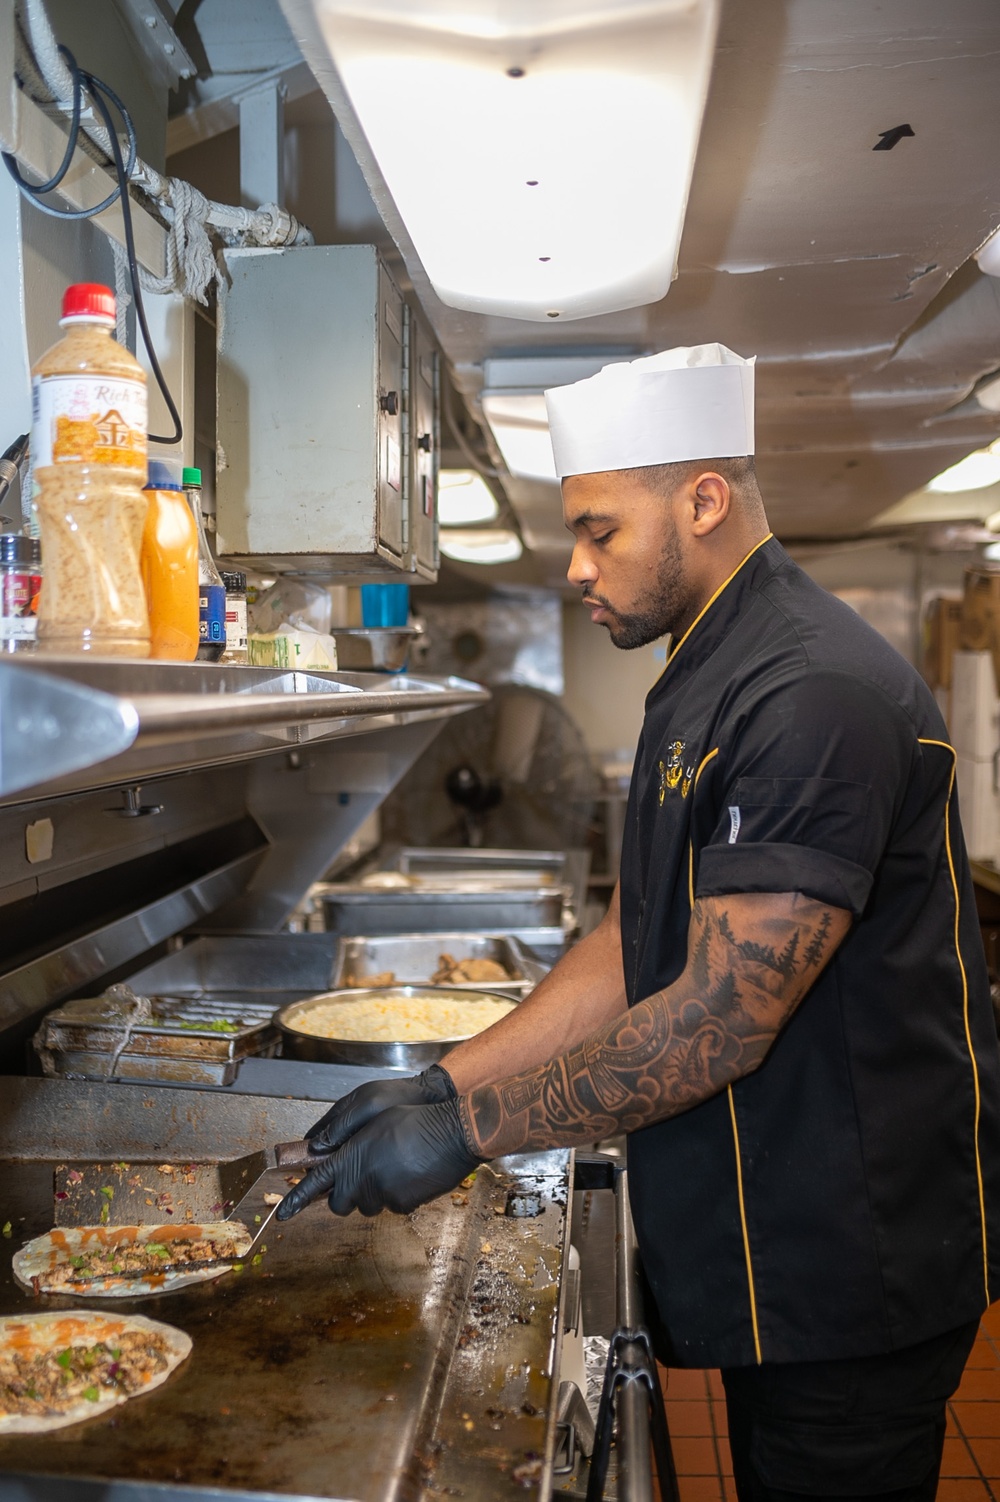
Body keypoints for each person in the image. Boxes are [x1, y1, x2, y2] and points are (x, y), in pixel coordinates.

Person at [278, 344, 1000, 1502]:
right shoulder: (703, 672)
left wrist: (470, 1136)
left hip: (855, 1255)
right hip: (781, 1233)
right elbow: (635, 934)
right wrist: (450, 1080)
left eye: (600, 529)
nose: (576, 565)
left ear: (703, 500)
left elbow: (718, 1017)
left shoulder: (808, 691)